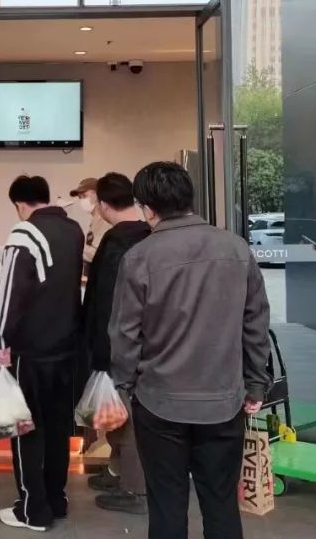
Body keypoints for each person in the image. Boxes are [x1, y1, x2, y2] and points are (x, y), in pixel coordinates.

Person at [110, 162, 270, 539]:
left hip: (159, 402)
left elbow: (124, 333)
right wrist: (255, 384)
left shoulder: (139, 257)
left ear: (148, 207)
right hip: (223, 401)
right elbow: (255, 324)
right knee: (221, 504)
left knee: (166, 504)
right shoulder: (236, 248)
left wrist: (125, 386)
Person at [0, 175, 85, 532]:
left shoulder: (23, 234)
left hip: (31, 351)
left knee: (27, 429)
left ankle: (32, 510)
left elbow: (9, 295)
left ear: (20, 204)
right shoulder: (74, 231)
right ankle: (56, 500)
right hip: (66, 348)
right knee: (59, 428)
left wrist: (0, 339)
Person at [83, 172, 152, 515]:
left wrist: (100, 350)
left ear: (104, 205)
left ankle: (135, 489)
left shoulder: (116, 243)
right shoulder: (148, 235)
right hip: (147, 344)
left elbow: (106, 303)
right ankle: (119, 472)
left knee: (124, 418)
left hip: (118, 346)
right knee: (124, 415)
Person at [71, 177, 112, 265]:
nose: (82, 200)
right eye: (80, 197)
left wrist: (73, 248)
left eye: (84, 196)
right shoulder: (95, 220)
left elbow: (98, 254)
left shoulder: (104, 220)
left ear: (98, 194)